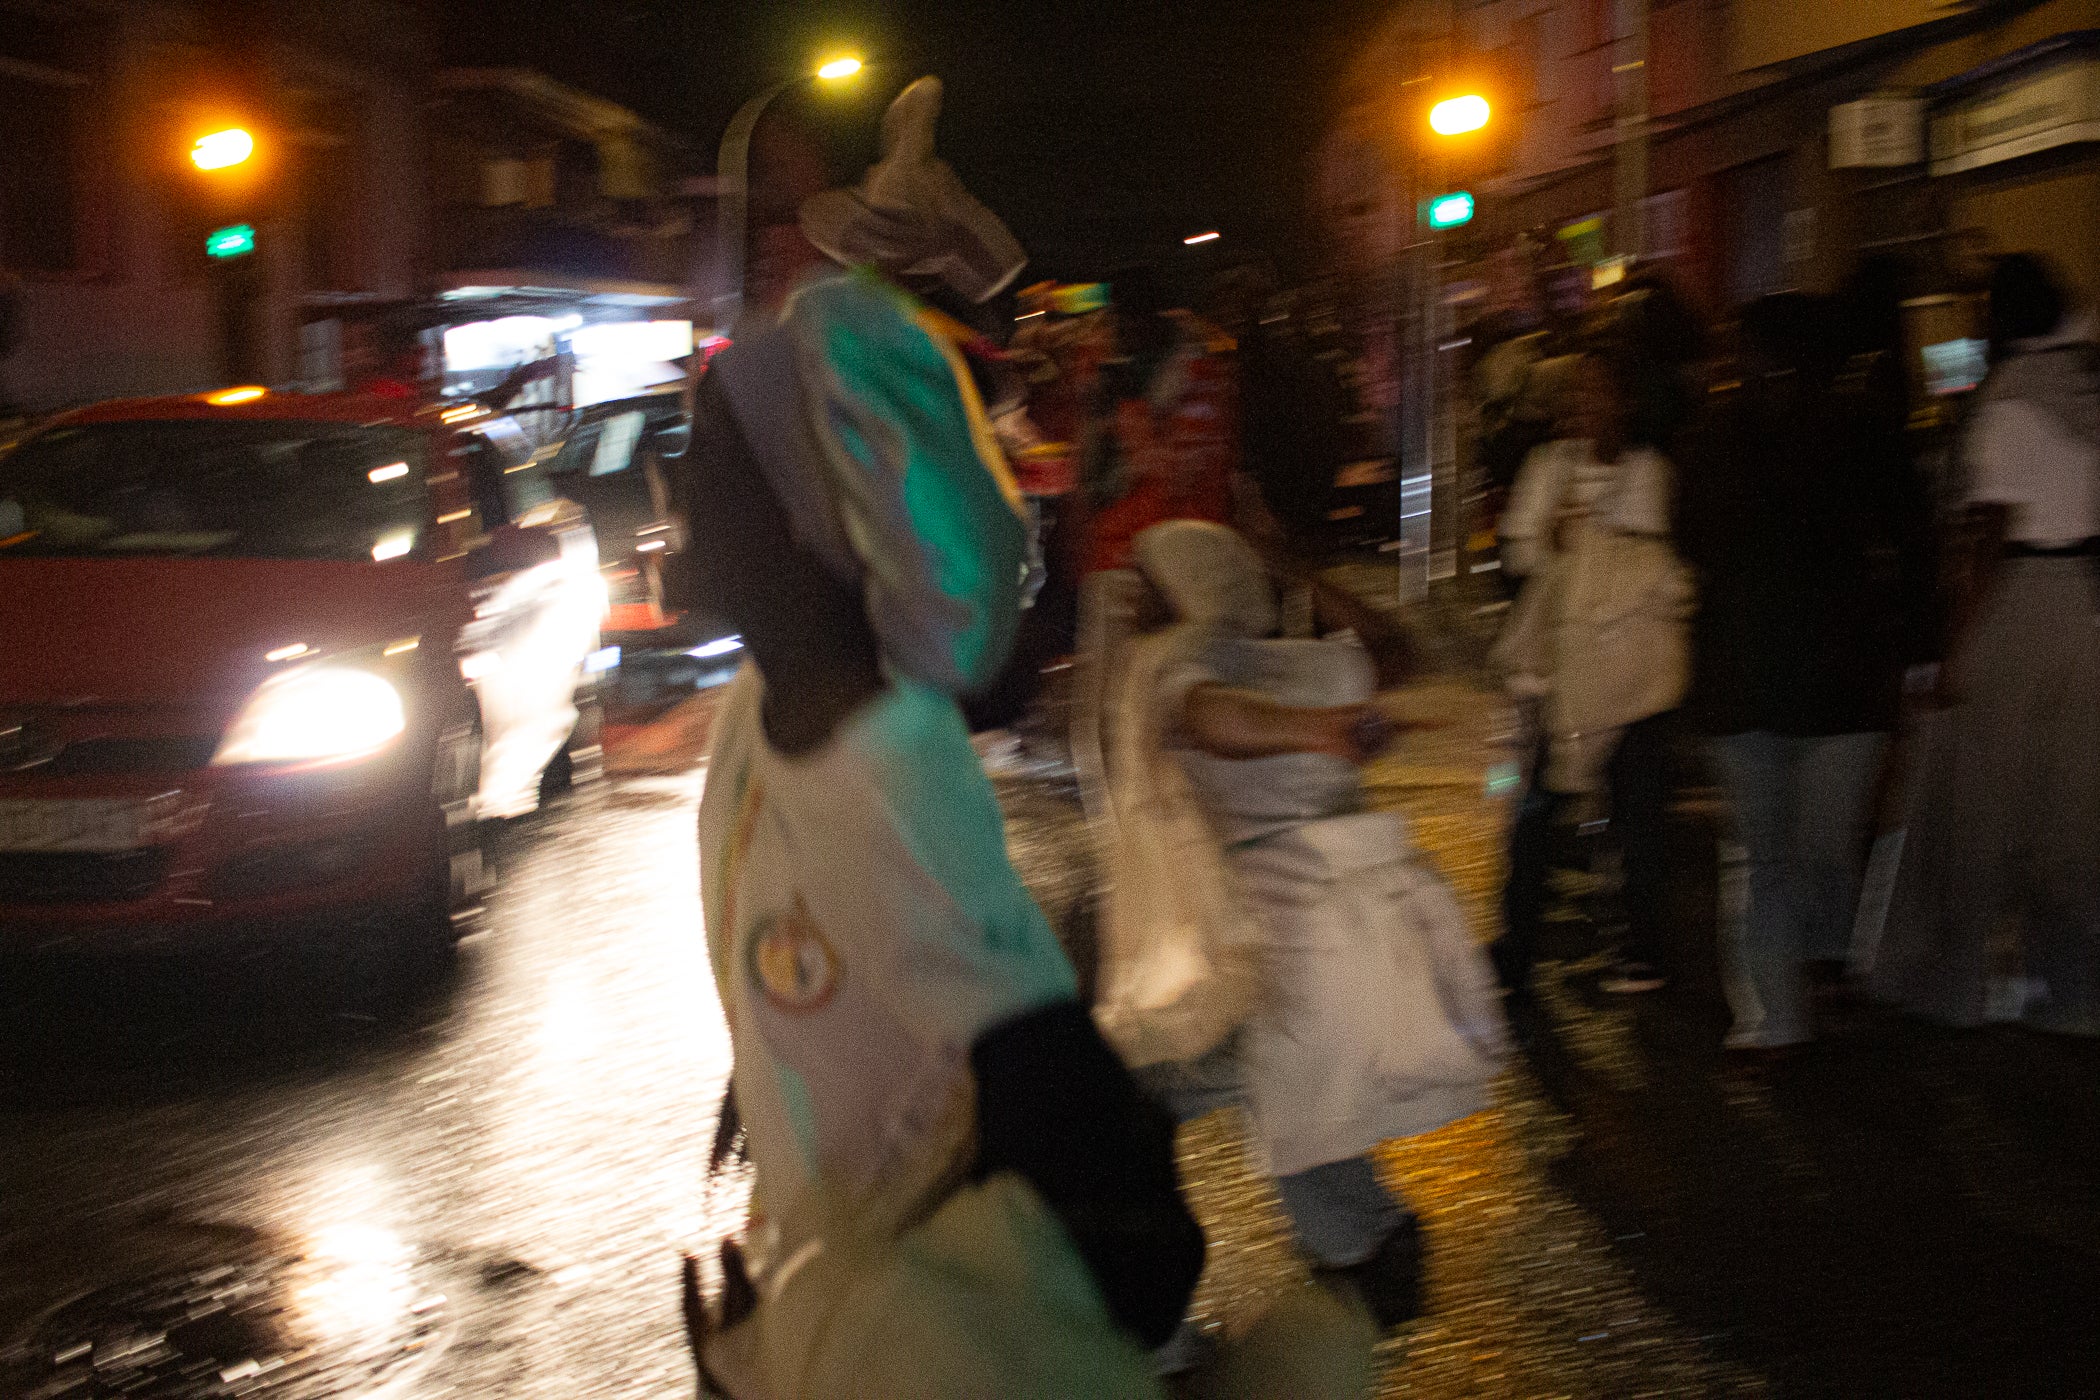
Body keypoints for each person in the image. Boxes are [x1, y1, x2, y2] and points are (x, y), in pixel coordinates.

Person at [671, 78, 1202, 1396]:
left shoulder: (876, 756)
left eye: (716, 457)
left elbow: (1071, 1117)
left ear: (813, 528)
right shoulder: (768, 716)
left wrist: (831, 1339)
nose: (677, 489)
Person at [1075, 520, 1505, 1339]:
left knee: (1130, 1101)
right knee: (1300, 1106)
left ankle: (1151, 1327)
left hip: (1273, 964)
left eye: (1148, 587)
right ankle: (1368, 1254)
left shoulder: (1173, 671)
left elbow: (1214, 720)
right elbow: (1395, 646)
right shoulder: (1326, 662)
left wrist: (1317, 733)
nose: (1131, 605)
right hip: (1356, 950)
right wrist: (1290, 564)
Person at [1677, 290, 1939, 1051]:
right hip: (1837, 683)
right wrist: (1919, 651)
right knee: (1812, 848)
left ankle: (1776, 1013)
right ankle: (1812, 980)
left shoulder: (1718, 439)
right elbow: (1911, 544)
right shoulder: (1863, 433)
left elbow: (1691, 542)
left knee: (1766, 855)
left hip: (1753, 678)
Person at [1870, 253, 2100, 1036]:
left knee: (1978, 802)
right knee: (2072, 807)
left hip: (2018, 601)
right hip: (2082, 603)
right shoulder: (2085, 390)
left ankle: (1951, 979)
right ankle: (2070, 992)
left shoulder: (2008, 400)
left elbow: (1992, 527)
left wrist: (1956, 645)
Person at [1493, 327, 1694, 998]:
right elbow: (1519, 554)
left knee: (1637, 809)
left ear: (1627, 402)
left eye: (1598, 389)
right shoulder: (1548, 466)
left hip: (1631, 673)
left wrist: (1595, 544)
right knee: (1535, 805)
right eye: (1577, 388)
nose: (1584, 401)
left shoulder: (1650, 473)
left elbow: (1652, 566)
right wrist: (1550, 538)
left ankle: (1640, 948)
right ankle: (1516, 943)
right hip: (1558, 666)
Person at [1078, 265, 1238, 575]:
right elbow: (1094, 469)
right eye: (1116, 321)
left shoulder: (1197, 375)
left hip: (1179, 552)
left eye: (1125, 321)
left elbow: (1182, 472)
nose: (1118, 332)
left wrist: (1127, 413)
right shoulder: (1115, 370)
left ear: (1150, 319)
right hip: (1125, 552)